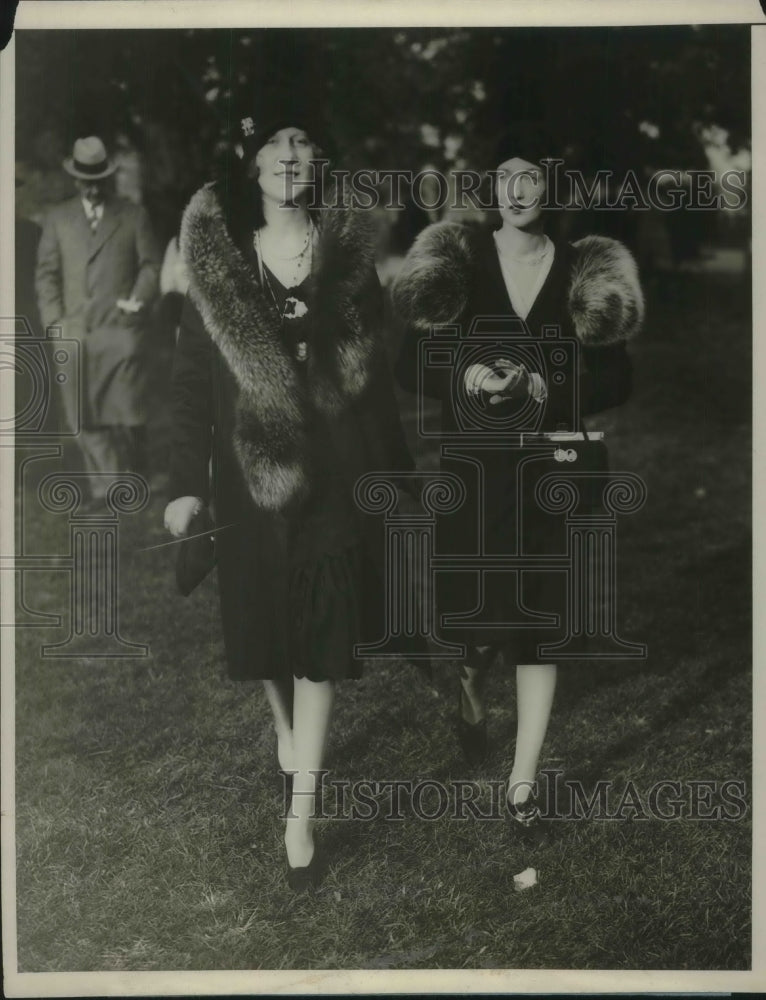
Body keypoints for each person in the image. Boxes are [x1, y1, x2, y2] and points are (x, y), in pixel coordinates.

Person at [163, 104, 416, 889]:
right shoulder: (219, 267)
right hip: (250, 478)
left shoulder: (348, 261)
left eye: (303, 142)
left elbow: (378, 383)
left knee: (322, 632)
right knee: (266, 627)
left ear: (318, 162)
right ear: (251, 163)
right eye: (274, 143)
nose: (290, 156)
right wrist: (183, 487)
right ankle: (284, 729)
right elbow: (187, 388)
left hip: (334, 475)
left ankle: (301, 812)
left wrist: (395, 477)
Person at [393, 123, 643, 830]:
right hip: (475, 472)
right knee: (476, 625)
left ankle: (523, 782)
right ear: (491, 188)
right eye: (506, 176)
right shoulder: (457, 262)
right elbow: (406, 363)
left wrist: (545, 386)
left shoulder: (583, 270)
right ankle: (471, 685)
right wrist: (469, 376)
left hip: (548, 471)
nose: (518, 189)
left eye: (531, 176)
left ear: (550, 185)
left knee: (540, 622)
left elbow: (618, 378)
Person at [35, 136, 160, 501]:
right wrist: (54, 323)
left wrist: (138, 299)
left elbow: (151, 266)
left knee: (127, 412)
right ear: (76, 179)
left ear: (108, 178)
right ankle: (107, 487)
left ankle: (137, 471)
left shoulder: (133, 216)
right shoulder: (58, 219)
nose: (92, 188)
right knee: (82, 417)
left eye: (99, 181)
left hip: (119, 328)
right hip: (73, 333)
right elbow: (46, 275)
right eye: (85, 181)